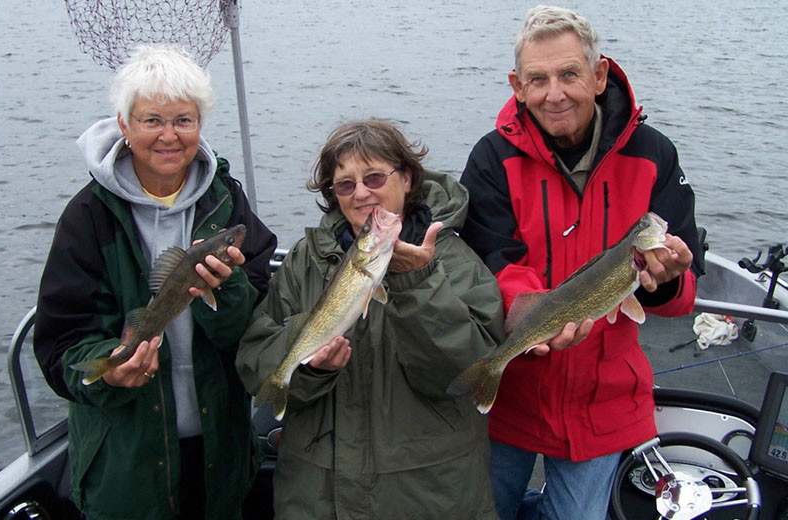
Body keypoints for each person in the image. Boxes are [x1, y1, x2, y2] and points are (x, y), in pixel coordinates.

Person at [459, 6, 702, 520]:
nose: (555, 93)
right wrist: (532, 315)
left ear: (598, 75)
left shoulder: (655, 154)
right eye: (537, 79)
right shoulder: (490, 158)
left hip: (606, 402)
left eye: (569, 74)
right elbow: (491, 260)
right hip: (512, 397)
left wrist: (662, 281)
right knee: (482, 511)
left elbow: (681, 293)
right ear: (517, 86)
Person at [33, 45, 277, 520]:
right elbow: (61, 344)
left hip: (219, 457)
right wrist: (110, 373)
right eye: (151, 120)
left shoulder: (228, 205)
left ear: (200, 125)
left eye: (183, 120)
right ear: (124, 126)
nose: (169, 135)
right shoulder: (87, 218)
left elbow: (259, 330)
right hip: (127, 467)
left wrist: (226, 292)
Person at [236, 120, 504, 519]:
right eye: (345, 184)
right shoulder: (304, 261)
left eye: (375, 177)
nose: (361, 193)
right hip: (319, 497)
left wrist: (415, 282)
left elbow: (465, 374)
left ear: (408, 178)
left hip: (427, 494)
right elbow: (256, 360)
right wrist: (310, 368)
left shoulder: (457, 262)